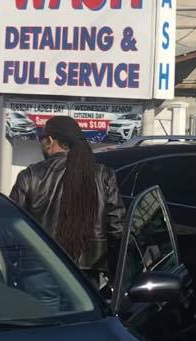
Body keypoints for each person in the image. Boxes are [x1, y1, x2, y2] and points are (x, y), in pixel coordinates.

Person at [10, 116, 124, 286]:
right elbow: (117, 229)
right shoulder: (103, 175)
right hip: (85, 271)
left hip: (39, 268)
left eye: (41, 138)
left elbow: (12, 225)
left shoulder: (30, 176)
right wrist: (115, 272)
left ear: (50, 140)